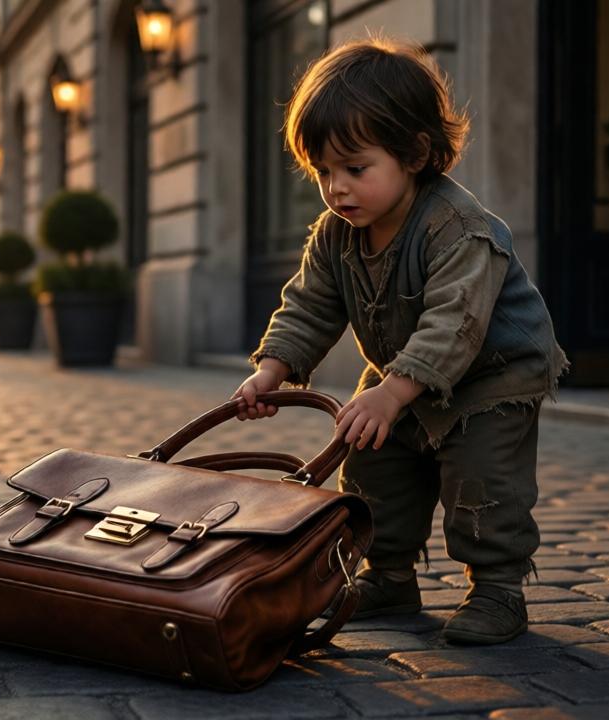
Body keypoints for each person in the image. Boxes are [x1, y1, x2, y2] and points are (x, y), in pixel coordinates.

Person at [233, 38, 567, 645]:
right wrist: (272, 369)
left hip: (489, 379)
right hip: (398, 375)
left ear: (414, 154)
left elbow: (455, 324)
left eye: (355, 169)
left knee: (481, 484)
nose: (337, 188)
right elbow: (309, 303)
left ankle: (497, 589)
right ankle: (388, 574)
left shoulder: (458, 228)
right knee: (370, 469)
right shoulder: (336, 234)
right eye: (323, 173)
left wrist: (391, 394)